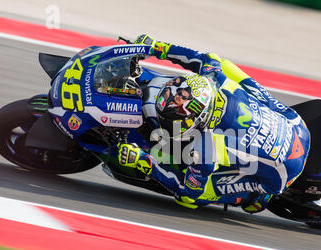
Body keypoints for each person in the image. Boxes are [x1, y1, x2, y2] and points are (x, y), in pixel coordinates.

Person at [118, 34, 310, 213]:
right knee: (222, 63)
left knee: (188, 199)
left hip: (286, 169)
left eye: (177, 107)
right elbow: (205, 58)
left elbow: (189, 189)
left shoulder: (207, 147)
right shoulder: (215, 79)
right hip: (295, 124)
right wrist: (157, 48)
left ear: (195, 120)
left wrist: (145, 161)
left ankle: (257, 195)